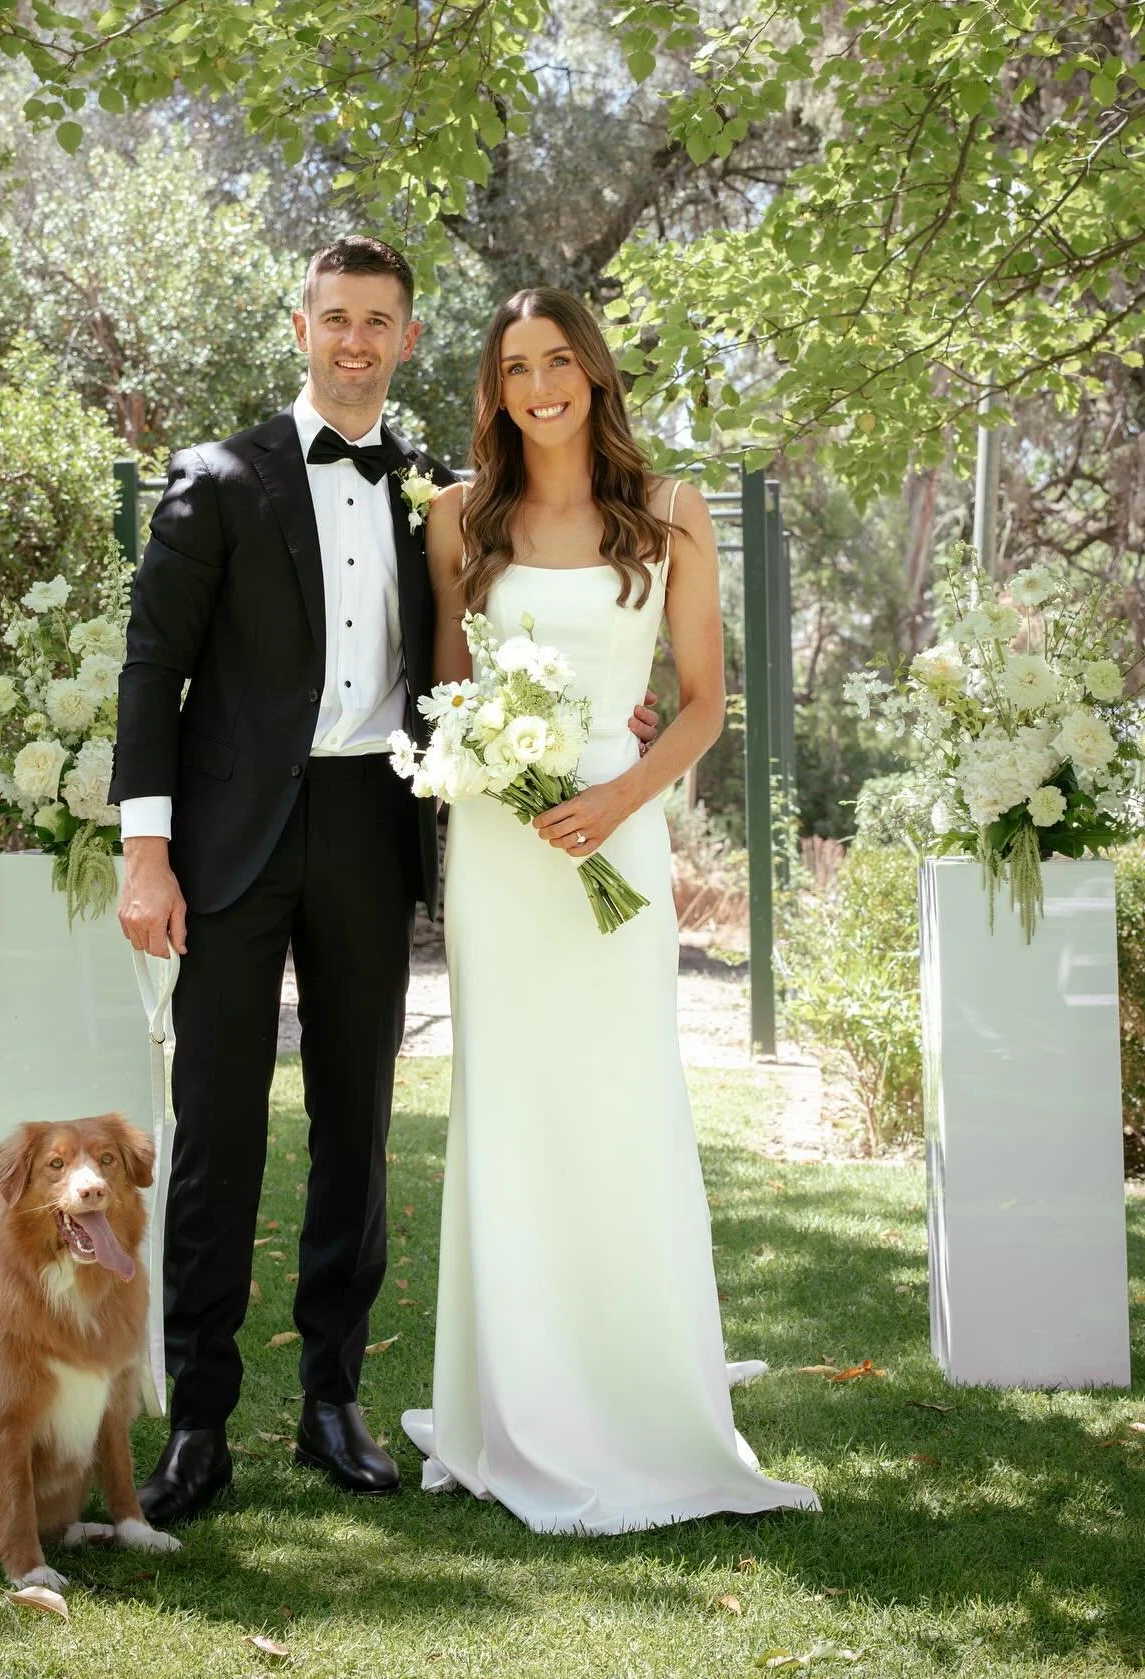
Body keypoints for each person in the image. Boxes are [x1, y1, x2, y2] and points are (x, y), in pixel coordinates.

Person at [110, 238, 659, 1523]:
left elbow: (512, 630)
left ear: (409, 338)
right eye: (336, 318)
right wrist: (147, 844)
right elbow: (152, 669)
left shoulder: (441, 495)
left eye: (380, 322)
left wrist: (607, 726)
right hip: (232, 839)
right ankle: (197, 1420)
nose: (356, 341)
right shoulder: (218, 478)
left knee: (356, 1125)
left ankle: (333, 1402)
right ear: (299, 326)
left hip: (375, 823)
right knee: (221, 1133)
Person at [400, 287, 820, 1533]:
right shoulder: (456, 519)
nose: (539, 385)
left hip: (618, 836)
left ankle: (638, 1379)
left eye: (558, 360)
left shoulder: (674, 513)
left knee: (622, 1095)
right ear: (495, 387)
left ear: (593, 370)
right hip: (500, 842)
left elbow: (700, 700)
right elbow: (450, 690)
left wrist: (623, 792)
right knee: (513, 1103)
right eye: (515, 366)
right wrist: (509, 774)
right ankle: (515, 1393)